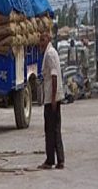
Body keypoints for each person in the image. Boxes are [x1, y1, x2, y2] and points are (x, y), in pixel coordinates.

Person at [39, 31, 65, 170]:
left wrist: (53, 98)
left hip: (51, 98)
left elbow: (54, 76)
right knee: (54, 129)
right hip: (52, 97)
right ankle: (58, 160)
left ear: (48, 39)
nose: (40, 43)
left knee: (51, 130)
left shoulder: (49, 54)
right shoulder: (51, 52)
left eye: (42, 40)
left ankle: (51, 160)